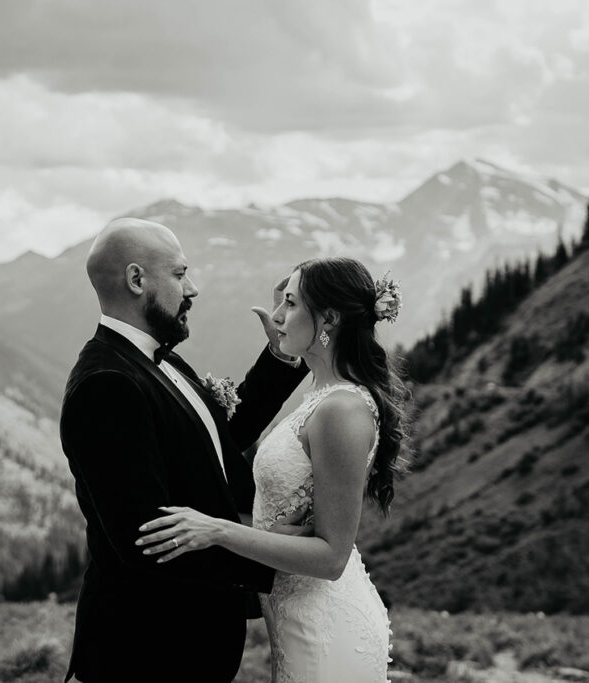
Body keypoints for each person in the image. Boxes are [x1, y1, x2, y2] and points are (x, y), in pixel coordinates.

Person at [59, 217, 310, 682]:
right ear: (137, 280)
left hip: (190, 649)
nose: (192, 288)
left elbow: (216, 443)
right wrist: (281, 555)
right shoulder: (106, 385)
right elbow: (148, 539)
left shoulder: (161, 358)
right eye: (179, 274)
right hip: (148, 653)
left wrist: (281, 356)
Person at [137, 256, 410, 683]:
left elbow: (331, 557)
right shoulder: (321, 394)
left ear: (330, 318)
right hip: (294, 619)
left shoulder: (342, 409)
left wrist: (218, 530)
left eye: (290, 303)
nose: (277, 316)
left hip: (325, 630)